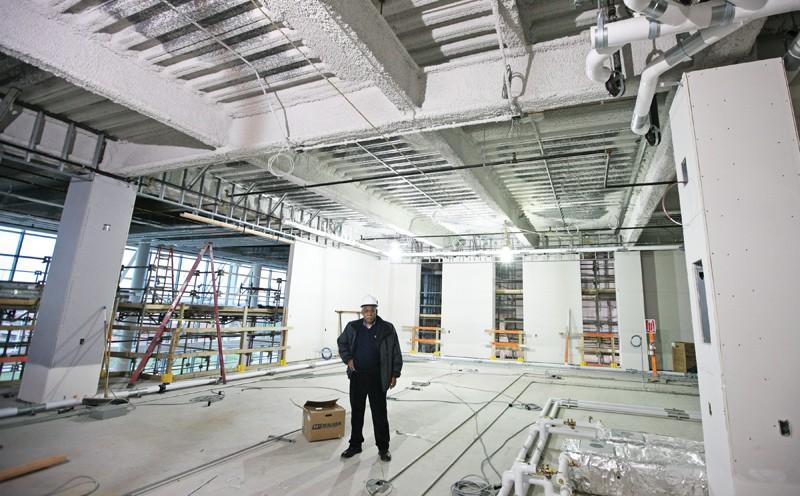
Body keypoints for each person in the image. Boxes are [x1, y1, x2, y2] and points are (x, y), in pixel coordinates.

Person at [337, 294, 403, 462]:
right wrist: (348, 359)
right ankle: (355, 445)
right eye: (365, 310)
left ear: (376, 311)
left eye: (371, 310)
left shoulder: (387, 328)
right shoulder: (353, 327)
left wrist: (394, 373)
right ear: (362, 312)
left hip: (378, 377)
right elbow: (342, 343)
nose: (368, 313)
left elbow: (396, 352)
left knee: (379, 413)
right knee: (357, 412)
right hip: (358, 376)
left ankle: (383, 448)